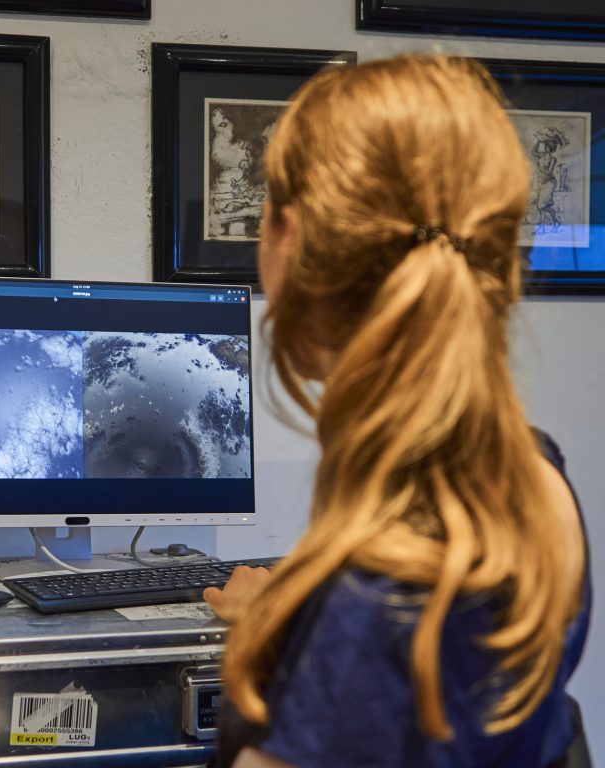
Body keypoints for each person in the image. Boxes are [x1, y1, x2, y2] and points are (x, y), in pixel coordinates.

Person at [202, 54, 591, 768]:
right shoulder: (538, 482)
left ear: (286, 238)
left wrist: (295, 646)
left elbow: (373, 668)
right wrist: (285, 626)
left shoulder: (371, 603)